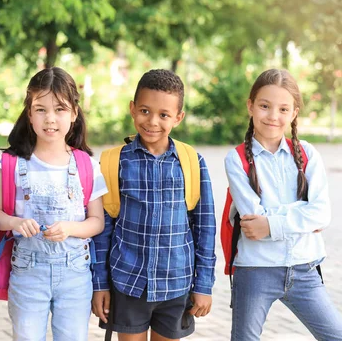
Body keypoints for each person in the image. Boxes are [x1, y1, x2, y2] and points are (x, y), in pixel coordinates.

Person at [92, 69, 216, 341]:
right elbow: (102, 229)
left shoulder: (192, 162)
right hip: (128, 282)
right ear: (132, 109)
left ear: (178, 118)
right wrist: (99, 284)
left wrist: (204, 285)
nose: (152, 121)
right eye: (145, 111)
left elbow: (205, 228)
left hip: (176, 284)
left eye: (164, 115)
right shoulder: (115, 162)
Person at [225, 68, 342, 340]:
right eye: (265, 106)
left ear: (294, 113)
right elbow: (253, 222)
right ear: (251, 106)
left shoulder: (307, 154)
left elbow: (322, 214)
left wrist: (272, 222)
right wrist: (302, 215)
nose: (273, 116)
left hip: (305, 269)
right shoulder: (236, 159)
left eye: (283, 109)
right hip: (256, 269)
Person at [0, 67, 107, 340]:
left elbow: (97, 222)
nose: (50, 119)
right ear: (29, 114)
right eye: (41, 109)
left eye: (60, 109)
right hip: (27, 272)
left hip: (75, 274)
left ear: (74, 113)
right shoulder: (11, 165)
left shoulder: (87, 166)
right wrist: (16, 222)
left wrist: (69, 228)